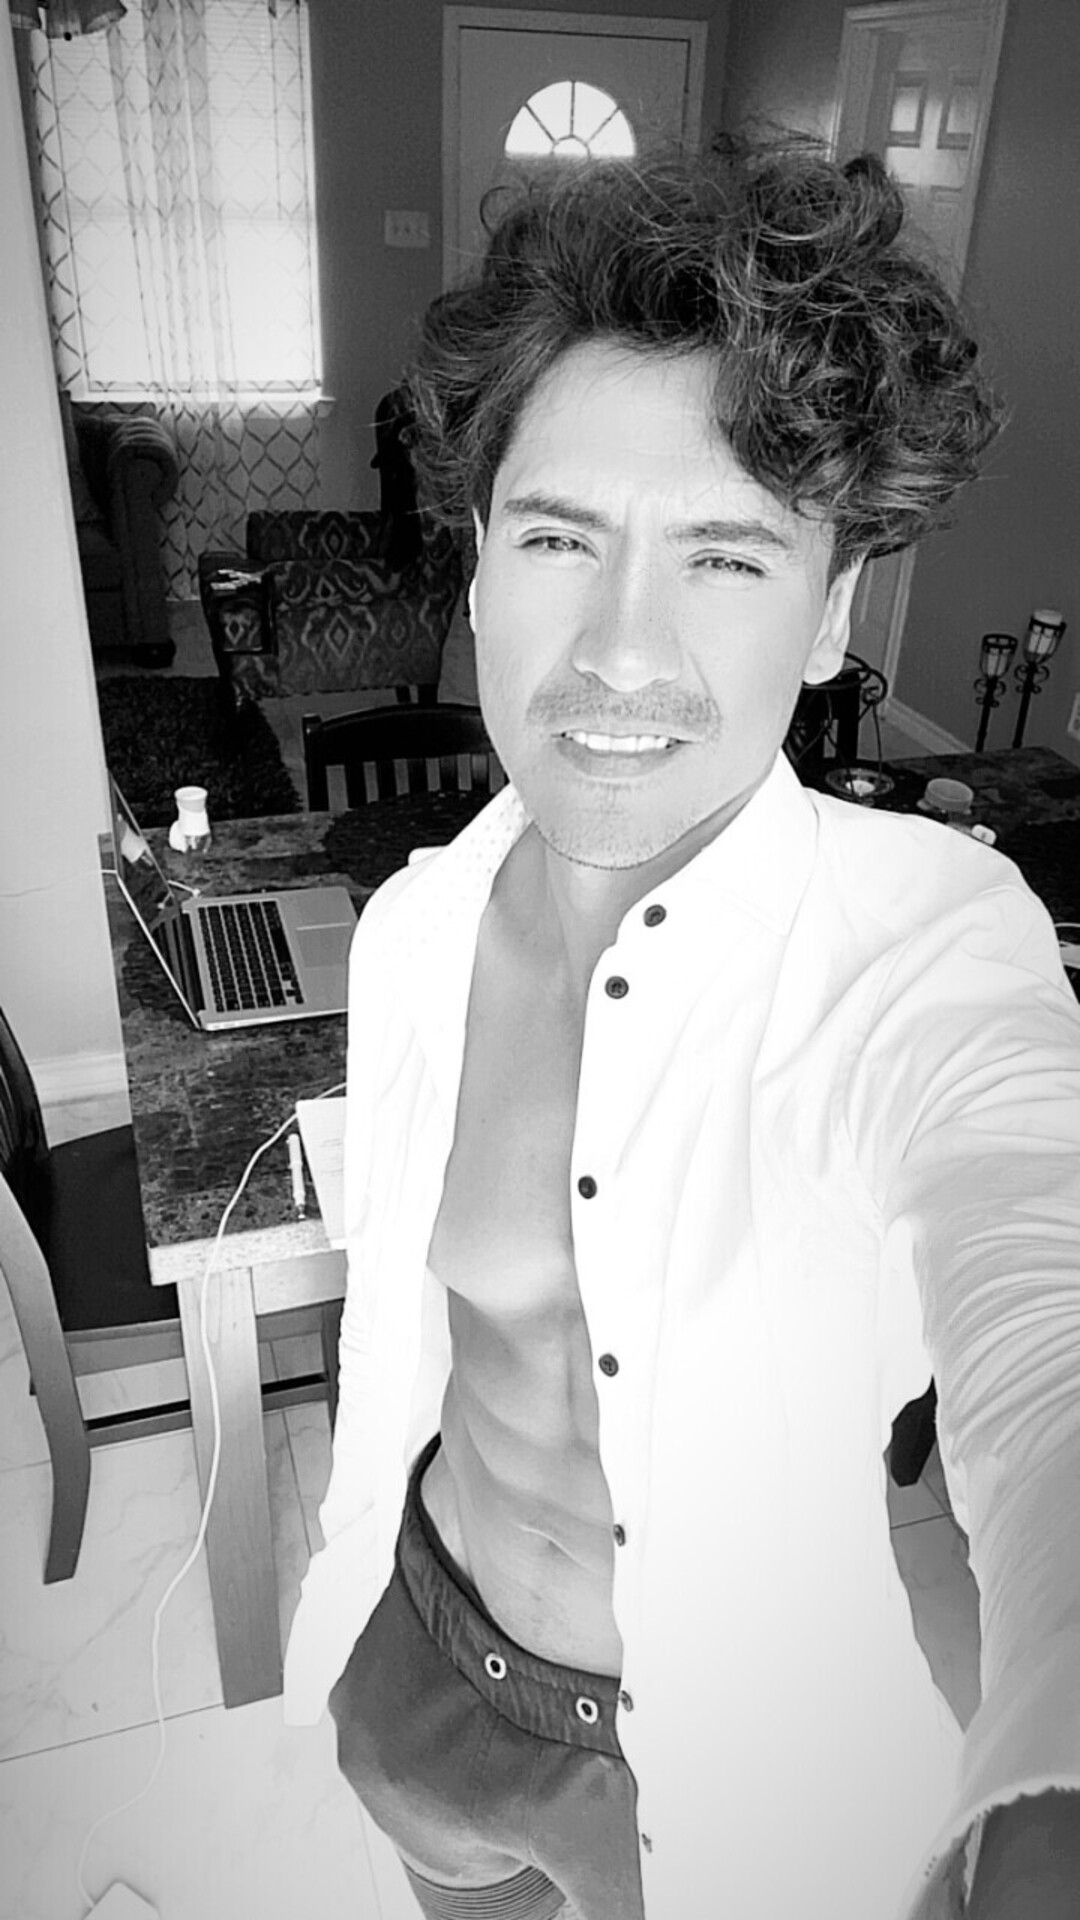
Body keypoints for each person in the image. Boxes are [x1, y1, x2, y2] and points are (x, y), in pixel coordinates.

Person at [283, 136, 1080, 1920]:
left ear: (833, 611)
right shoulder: (413, 931)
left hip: (724, 1786)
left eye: (726, 557)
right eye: (563, 537)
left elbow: (1045, 1309)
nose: (620, 651)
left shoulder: (926, 949)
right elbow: (400, 1335)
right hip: (420, 1667)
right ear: (478, 564)